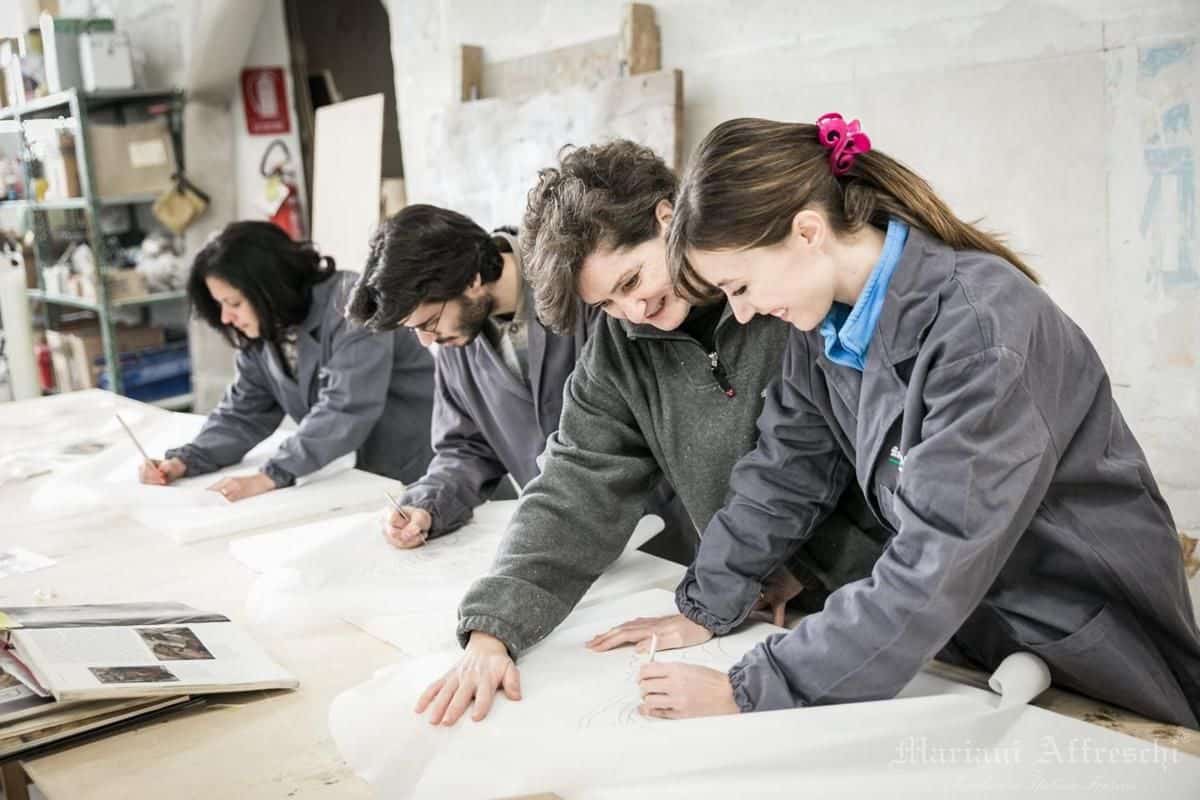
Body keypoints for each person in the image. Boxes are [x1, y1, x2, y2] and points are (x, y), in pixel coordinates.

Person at [594, 114, 1200, 729]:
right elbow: (783, 471)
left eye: (741, 286)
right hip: (979, 635)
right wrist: (705, 604)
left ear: (807, 233)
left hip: (1086, 646)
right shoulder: (823, 329)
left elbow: (935, 559)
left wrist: (750, 688)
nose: (743, 314)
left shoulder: (982, 333)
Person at [413, 140, 888, 726]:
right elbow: (576, 482)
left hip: (895, 597)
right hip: (755, 608)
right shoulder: (621, 347)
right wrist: (494, 628)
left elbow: (832, 460)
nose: (634, 312)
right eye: (608, 303)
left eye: (632, 280)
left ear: (668, 217)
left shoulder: (789, 289)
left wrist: (782, 571)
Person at [343, 205, 599, 547]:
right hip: (570, 538)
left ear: (472, 279)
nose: (427, 341)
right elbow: (465, 448)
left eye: (429, 322)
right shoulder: (458, 335)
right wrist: (426, 506)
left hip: (654, 526)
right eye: (414, 329)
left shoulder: (578, 282)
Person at [139, 221, 435, 500]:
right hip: (365, 469)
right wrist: (187, 460)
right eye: (220, 305)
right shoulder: (267, 326)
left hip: (420, 459)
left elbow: (346, 407)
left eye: (234, 303)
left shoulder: (352, 304)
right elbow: (245, 412)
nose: (226, 318)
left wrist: (272, 474)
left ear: (270, 287)